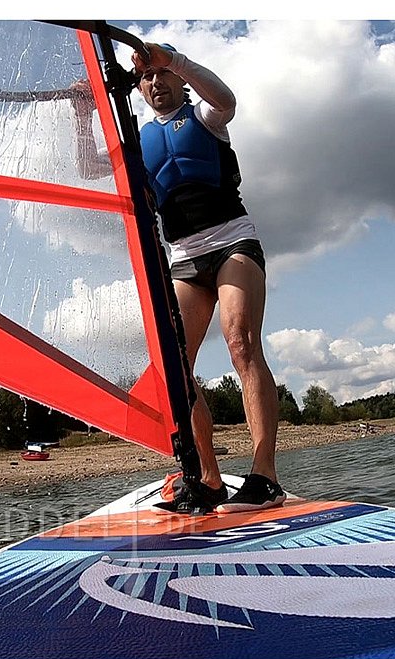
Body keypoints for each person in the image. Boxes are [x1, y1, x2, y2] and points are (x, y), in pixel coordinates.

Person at [71, 42, 285, 516]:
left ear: (179, 81)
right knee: (176, 368)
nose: (155, 84)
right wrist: (80, 110)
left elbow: (228, 99)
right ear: (140, 91)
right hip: (185, 257)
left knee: (241, 343)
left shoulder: (206, 117)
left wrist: (173, 58)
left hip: (233, 243)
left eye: (163, 76)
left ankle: (265, 474)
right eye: (146, 79)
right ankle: (208, 479)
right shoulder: (140, 141)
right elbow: (88, 166)